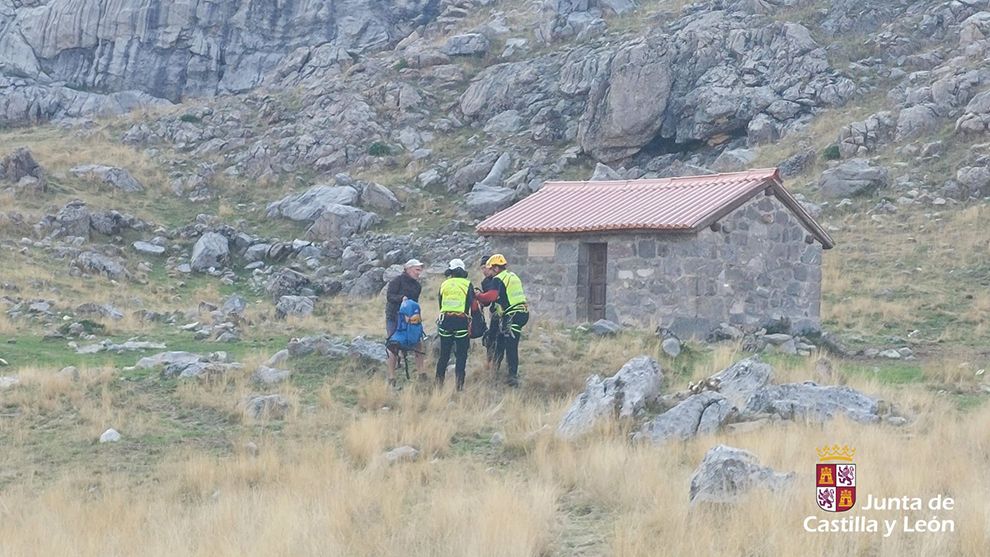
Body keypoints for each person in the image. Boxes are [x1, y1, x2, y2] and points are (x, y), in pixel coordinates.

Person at [484, 254, 529, 387]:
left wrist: (478, 296)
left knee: (510, 346)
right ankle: (496, 372)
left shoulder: (498, 279)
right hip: (521, 313)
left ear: (496, 268)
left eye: (491, 270)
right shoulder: (513, 276)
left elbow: (491, 297)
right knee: (502, 341)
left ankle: (512, 377)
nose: (490, 273)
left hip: (512, 315)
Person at [385, 258, 425, 386]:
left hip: (412, 321)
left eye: (420, 270)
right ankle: (391, 377)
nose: (419, 273)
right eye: (417, 270)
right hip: (394, 318)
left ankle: (421, 374)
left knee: (418, 344)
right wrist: (401, 298)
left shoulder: (417, 286)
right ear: (408, 269)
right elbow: (389, 296)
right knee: (393, 346)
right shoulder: (397, 281)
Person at [435, 259, 474, 391]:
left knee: (444, 355)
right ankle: (459, 386)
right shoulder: (467, 284)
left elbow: (441, 304)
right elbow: (470, 304)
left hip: (445, 320)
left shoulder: (444, 284)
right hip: (461, 321)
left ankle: (438, 384)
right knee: (461, 355)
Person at [474, 255, 502, 371]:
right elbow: (486, 301)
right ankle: (489, 362)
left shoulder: (499, 278)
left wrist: (481, 296)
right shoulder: (485, 282)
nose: (484, 270)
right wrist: (479, 298)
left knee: (501, 338)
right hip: (494, 312)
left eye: (486, 267)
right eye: (482, 268)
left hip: (504, 311)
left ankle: (497, 364)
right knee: (490, 337)